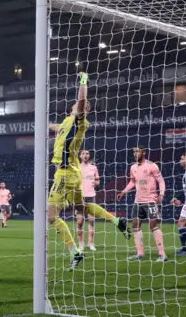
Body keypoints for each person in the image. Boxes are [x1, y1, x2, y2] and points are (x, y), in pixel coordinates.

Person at [48, 72, 130, 270]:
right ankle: (116, 220)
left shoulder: (79, 121)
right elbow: (56, 127)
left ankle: (75, 252)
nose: (82, 106)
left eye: (84, 107)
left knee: (51, 216)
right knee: (81, 208)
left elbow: (82, 99)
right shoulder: (67, 123)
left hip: (65, 173)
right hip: (73, 173)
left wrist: (83, 80)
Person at [117, 146, 167, 262]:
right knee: (135, 226)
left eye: (137, 151)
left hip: (150, 200)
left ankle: (162, 254)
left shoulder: (152, 166)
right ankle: (140, 253)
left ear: (143, 153)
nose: (135, 153)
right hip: (137, 201)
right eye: (133, 151)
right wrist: (124, 191)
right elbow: (133, 181)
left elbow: (161, 181)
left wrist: (162, 194)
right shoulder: (133, 167)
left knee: (153, 226)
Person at [78, 150, 100, 251]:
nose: (85, 155)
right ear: (80, 156)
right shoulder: (77, 167)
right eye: (83, 153)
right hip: (79, 197)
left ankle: (91, 243)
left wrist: (96, 183)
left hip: (90, 196)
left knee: (91, 220)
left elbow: (97, 180)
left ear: (89, 155)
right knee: (80, 221)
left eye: (87, 153)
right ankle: (81, 243)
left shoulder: (93, 167)